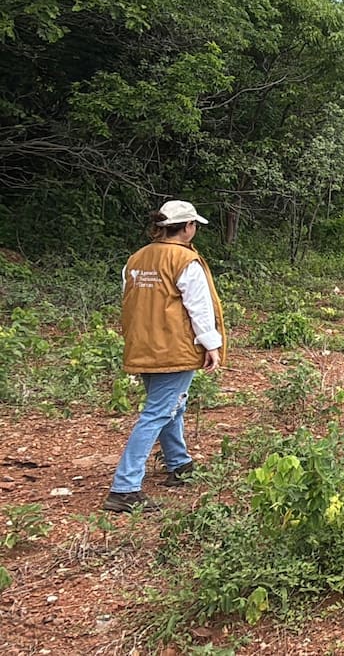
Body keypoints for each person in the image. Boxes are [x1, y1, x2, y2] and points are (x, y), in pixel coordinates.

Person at [103, 200, 226, 513]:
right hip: (174, 347)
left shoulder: (136, 258)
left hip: (143, 345)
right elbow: (199, 307)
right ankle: (125, 486)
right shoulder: (185, 260)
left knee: (172, 405)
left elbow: (131, 300)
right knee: (158, 411)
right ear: (186, 227)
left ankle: (179, 464)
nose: (194, 230)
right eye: (193, 225)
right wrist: (211, 344)